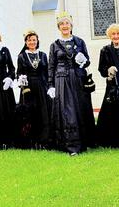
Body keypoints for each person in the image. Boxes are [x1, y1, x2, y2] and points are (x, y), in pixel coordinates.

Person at [47, 11, 94, 156]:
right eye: (61, 24)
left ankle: (85, 141)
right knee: (67, 111)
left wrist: (83, 60)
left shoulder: (79, 42)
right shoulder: (54, 45)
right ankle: (70, 144)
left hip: (78, 79)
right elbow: (51, 66)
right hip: (61, 80)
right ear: (59, 27)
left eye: (67, 23)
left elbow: (87, 62)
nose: (64, 26)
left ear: (71, 25)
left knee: (80, 108)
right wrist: (50, 85)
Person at [15, 29, 50, 149]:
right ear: (26, 42)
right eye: (29, 40)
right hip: (28, 89)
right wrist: (24, 87)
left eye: (34, 40)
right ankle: (29, 142)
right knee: (29, 114)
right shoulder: (22, 56)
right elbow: (19, 73)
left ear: (37, 41)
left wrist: (49, 86)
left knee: (42, 113)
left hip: (41, 86)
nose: (32, 42)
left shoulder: (43, 55)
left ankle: (43, 141)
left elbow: (47, 72)